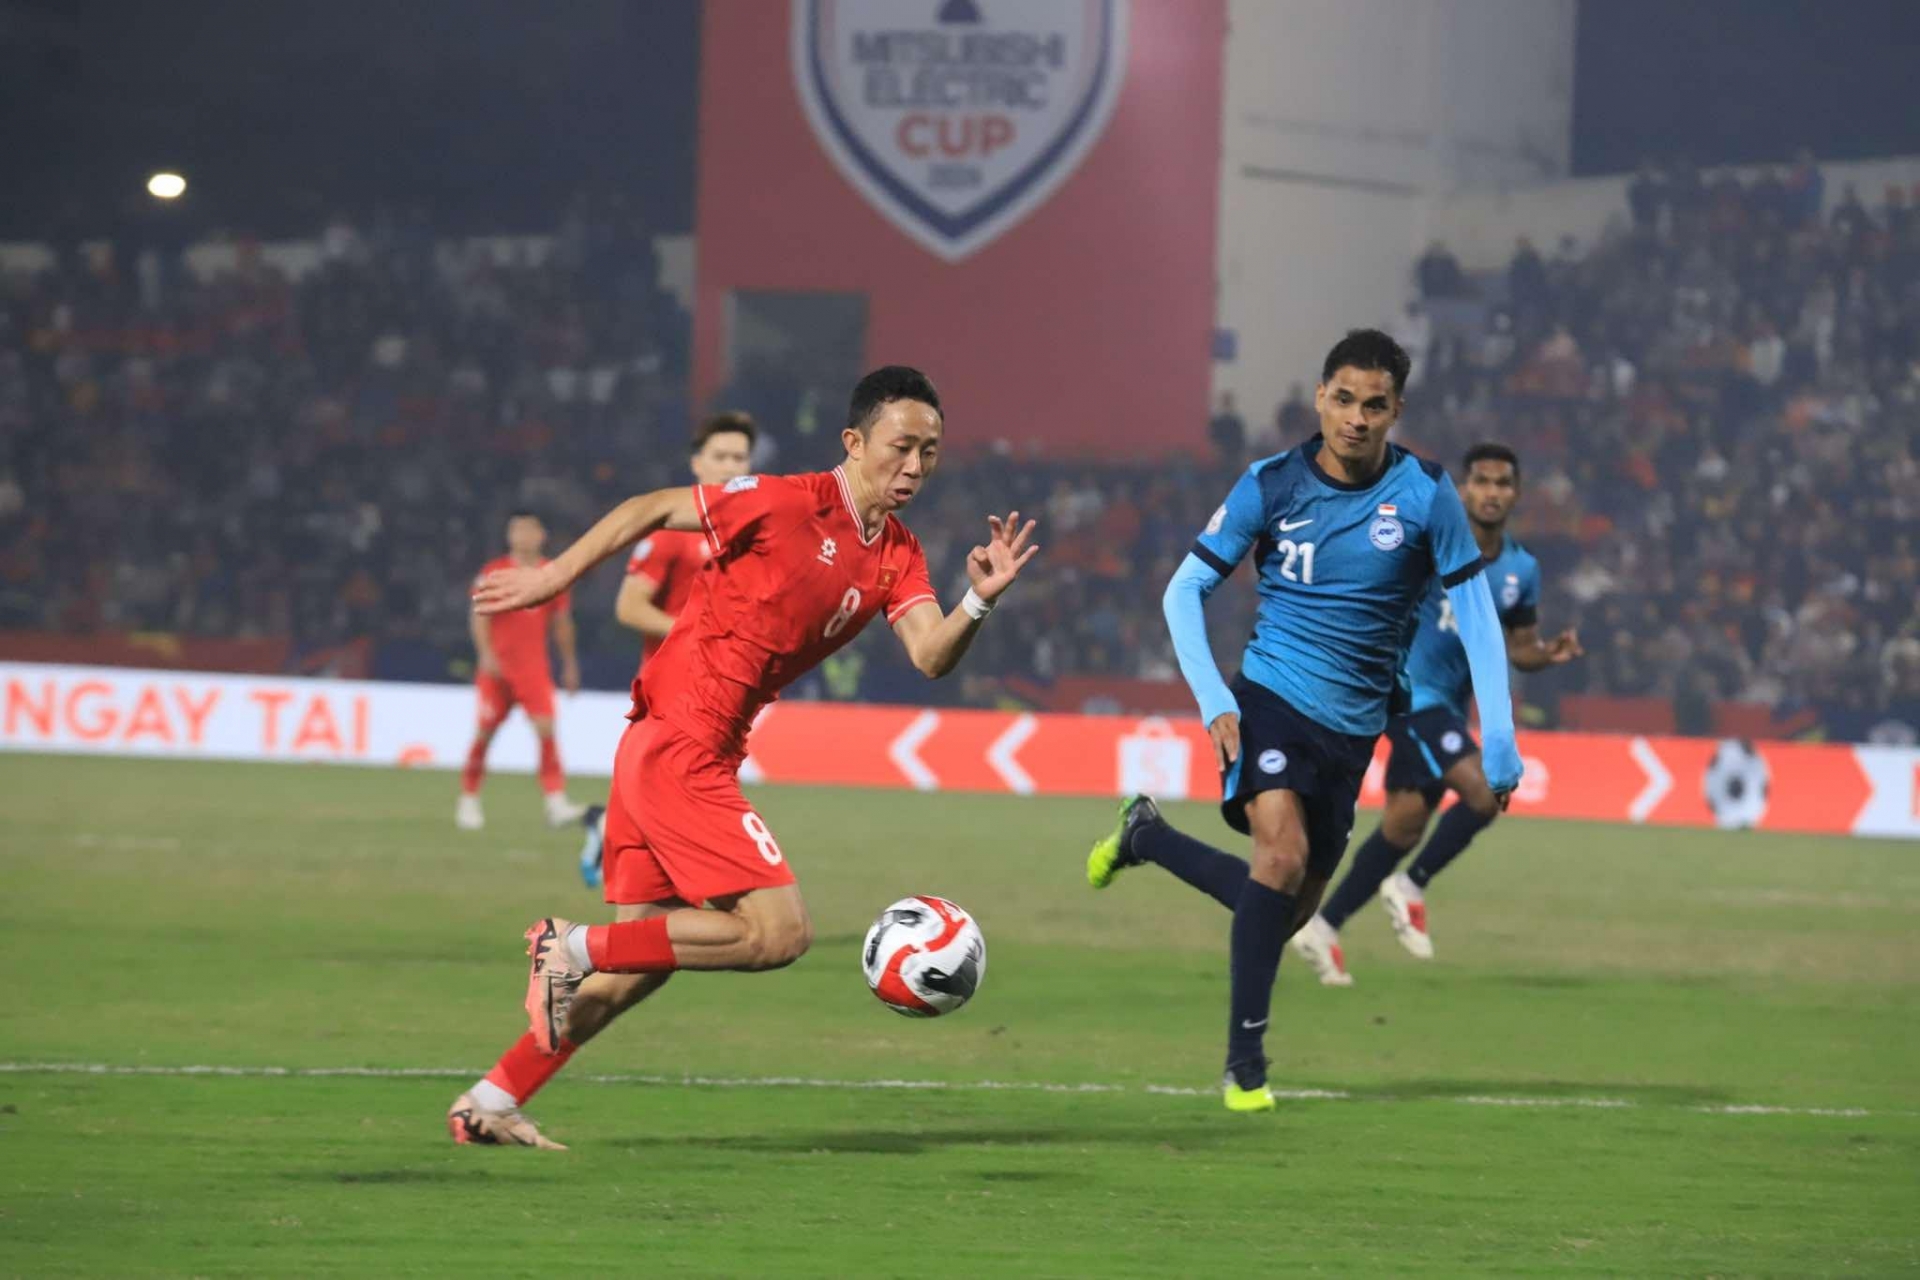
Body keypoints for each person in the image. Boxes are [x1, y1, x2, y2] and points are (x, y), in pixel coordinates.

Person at [446, 366, 1040, 1147]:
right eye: (901, 447)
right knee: (778, 932)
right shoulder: (788, 500)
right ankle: (567, 945)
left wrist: (980, 599)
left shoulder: (898, 551)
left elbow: (931, 654)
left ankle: (491, 1100)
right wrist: (551, 579)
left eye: (930, 452)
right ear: (855, 442)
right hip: (679, 742)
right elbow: (652, 507)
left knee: (640, 965)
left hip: (677, 747)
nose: (916, 468)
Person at [1083, 330, 1522, 1114]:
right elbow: (1183, 592)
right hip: (1269, 698)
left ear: (1397, 410)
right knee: (1277, 858)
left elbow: (1479, 615)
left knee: (1287, 912)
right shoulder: (1270, 484)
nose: (1356, 418)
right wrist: (1216, 699)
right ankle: (1244, 1067)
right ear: (1320, 397)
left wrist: (1501, 740)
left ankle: (1146, 836)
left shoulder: (1425, 493)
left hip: (1355, 731)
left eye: (1375, 405)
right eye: (1344, 399)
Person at [1292, 443, 1584, 984]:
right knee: (1482, 791)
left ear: (1515, 494)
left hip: (1449, 706)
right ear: (1464, 489)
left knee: (1402, 826)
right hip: (1406, 695)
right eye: (1481, 481)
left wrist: (1545, 655)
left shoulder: (1522, 569)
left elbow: (1518, 646)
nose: (1491, 493)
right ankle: (1412, 884)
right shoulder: (1427, 544)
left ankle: (1323, 926)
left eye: (1502, 483)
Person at [575, 412, 756, 888]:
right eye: (720, 456)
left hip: (722, 696)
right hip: (669, 693)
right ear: (697, 464)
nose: (730, 466)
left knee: (667, 806)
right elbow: (629, 606)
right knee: (678, 806)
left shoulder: (752, 533)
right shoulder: (671, 533)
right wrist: (696, 632)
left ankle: (609, 831)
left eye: (739, 457)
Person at [456, 511, 586, 831]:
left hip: (533, 668)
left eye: (529, 529)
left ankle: (555, 802)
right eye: (516, 529)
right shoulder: (493, 571)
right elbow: (479, 614)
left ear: (541, 535)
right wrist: (485, 654)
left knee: (546, 729)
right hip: (498, 668)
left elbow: (562, 623)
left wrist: (569, 664)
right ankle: (469, 798)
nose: (522, 535)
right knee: (485, 732)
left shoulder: (552, 573)